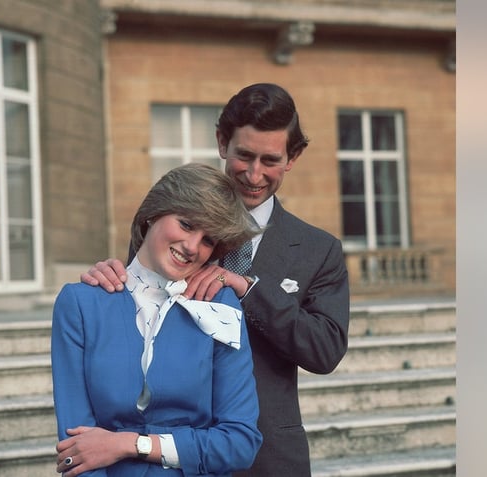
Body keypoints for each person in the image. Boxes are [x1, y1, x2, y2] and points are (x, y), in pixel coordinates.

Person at [80, 83, 350, 476]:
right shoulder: (173, 227)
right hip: (171, 455)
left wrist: (248, 289)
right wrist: (108, 282)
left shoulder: (318, 249)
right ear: (223, 142)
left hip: (269, 457)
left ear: (293, 157)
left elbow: (325, 351)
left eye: (270, 160)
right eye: (244, 155)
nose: (254, 175)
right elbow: (136, 316)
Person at [51, 163, 263, 477]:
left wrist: (132, 444)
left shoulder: (220, 305)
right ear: (153, 214)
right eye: (187, 224)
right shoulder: (81, 304)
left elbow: (240, 442)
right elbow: (76, 448)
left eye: (208, 240)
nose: (192, 247)